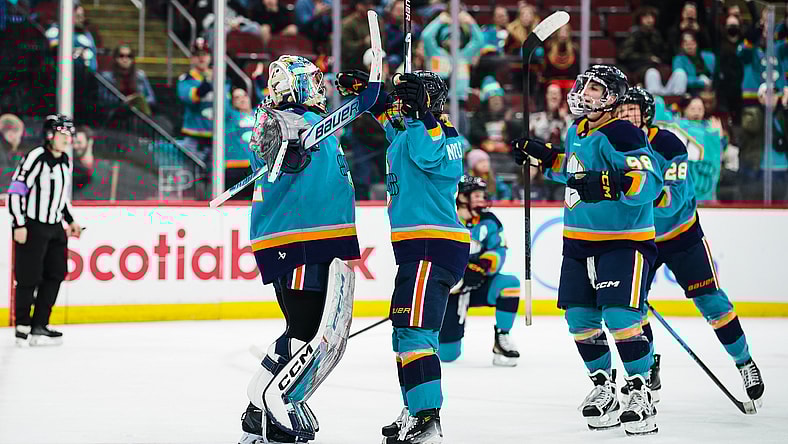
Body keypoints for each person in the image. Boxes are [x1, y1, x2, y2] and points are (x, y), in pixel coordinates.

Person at [511, 65, 663, 435]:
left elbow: (650, 180)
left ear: (612, 98)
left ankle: (640, 393)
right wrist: (544, 157)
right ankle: (603, 387)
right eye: (584, 85)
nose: (585, 92)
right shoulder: (577, 130)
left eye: (594, 88)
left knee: (622, 320)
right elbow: (574, 169)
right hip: (578, 242)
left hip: (623, 242)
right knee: (580, 321)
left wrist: (611, 184)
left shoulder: (623, 132)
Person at [335, 69, 469, 443]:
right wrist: (368, 90)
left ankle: (428, 417)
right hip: (416, 249)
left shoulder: (445, 135)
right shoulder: (404, 132)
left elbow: (429, 154)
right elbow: (382, 115)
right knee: (402, 336)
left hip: (434, 244)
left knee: (415, 334)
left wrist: (421, 112)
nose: (400, 105)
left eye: (409, 97)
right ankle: (414, 408)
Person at [616, 85, 765, 409]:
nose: (626, 115)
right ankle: (647, 366)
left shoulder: (668, 144)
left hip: (683, 236)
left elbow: (673, 200)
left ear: (646, 114)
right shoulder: (613, 145)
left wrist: (632, 194)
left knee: (711, 301)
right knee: (631, 308)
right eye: (622, 110)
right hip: (642, 240)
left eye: (632, 110)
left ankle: (744, 362)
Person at [238, 55, 360, 444]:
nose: (319, 88)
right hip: (298, 242)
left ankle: (257, 408)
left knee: (304, 330)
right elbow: (267, 145)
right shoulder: (277, 121)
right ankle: (270, 407)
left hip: (313, 240)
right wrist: (285, 146)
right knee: (306, 330)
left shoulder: (316, 125)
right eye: (312, 80)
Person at [9, 114, 83, 347]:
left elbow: (61, 197)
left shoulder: (65, 161)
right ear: (50, 135)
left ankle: (40, 324)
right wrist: (18, 223)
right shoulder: (36, 157)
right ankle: (22, 326)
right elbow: (16, 190)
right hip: (33, 225)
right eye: (62, 134)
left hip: (54, 227)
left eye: (69, 135)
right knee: (28, 276)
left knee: (56, 273)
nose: (66, 139)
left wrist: (70, 221)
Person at [438, 174, 521, 366]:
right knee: (448, 355)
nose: (482, 199)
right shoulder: (445, 218)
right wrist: (459, 275)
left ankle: (502, 339)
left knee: (509, 284)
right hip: (449, 290)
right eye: (476, 195)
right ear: (462, 197)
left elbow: (498, 249)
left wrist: (482, 266)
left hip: (477, 283)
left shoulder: (489, 220)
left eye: (482, 194)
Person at [99, 44, 156, 116]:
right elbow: (103, 100)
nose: (125, 59)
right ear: (115, 58)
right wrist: (124, 101)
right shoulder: (106, 77)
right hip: (116, 115)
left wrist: (137, 100)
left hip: (138, 115)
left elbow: (152, 98)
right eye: (121, 56)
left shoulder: (140, 76)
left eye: (129, 56)